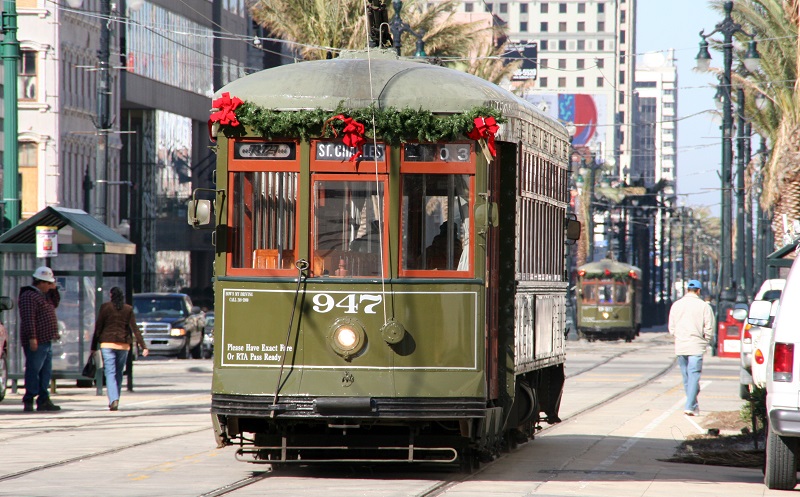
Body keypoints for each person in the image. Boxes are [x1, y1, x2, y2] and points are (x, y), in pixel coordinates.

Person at [91, 287, 149, 411]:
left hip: (107, 344)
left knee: (110, 373)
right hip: (123, 345)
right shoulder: (128, 309)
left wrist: (93, 346)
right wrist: (143, 346)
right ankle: (116, 397)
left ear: (111, 295)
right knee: (118, 372)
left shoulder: (105, 307)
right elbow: (135, 329)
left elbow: (98, 327)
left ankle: (113, 399)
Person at [668, 279, 715, 416]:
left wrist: (678, 336)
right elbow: (709, 327)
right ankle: (690, 405)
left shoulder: (676, 305)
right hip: (696, 346)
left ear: (687, 289)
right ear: (699, 291)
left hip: (681, 345)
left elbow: (671, 327)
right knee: (694, 375)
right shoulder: (704, 306)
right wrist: (706, 340)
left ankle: (693, 404)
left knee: (687, 377)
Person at [19, 266, 61, 412]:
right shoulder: (29, 296)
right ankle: (29, 398)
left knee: (45, 372)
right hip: (37, 340)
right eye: (48, 283)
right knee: (33, 369)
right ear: (40, 282)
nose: (50, 286)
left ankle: (43, 399)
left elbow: (55, 303)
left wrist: (54, 289)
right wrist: (32, 338)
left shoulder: (45, 295)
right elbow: (28, 318)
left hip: (47, 339)